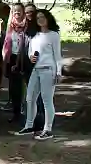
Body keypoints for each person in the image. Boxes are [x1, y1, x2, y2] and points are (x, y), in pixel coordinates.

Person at [16, 9, 62, 141]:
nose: (40, 20)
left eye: (43, 17)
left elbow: (58, 56)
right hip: (36, 70)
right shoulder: (34, 35)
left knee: (47, 100)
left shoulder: (54, 35)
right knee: (29, 98)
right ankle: (29, 126)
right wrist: (31, 57)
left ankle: (48, 129)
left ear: (48, 19)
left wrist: (59, 72)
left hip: (48, 69)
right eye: (38, 18)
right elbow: (31, 52)